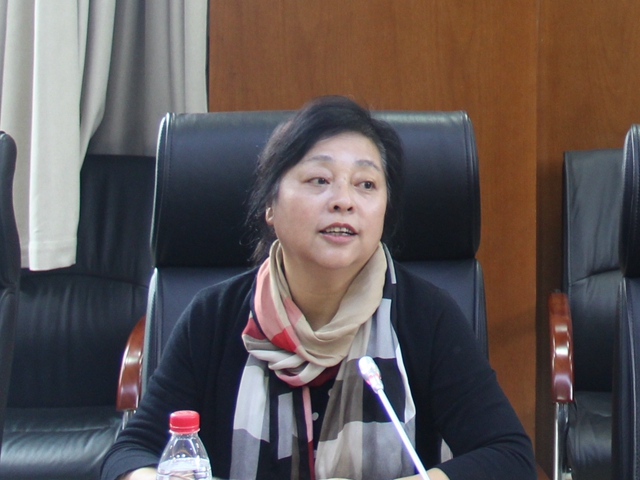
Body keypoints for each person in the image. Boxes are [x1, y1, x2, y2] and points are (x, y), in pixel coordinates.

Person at [101, 96, 536, 480]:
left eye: (366, 185)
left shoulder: (425, 316)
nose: (343, 200)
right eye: (319, 180)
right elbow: (129, 453)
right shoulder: (214, 317)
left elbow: (509, 456)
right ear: (270, 206)